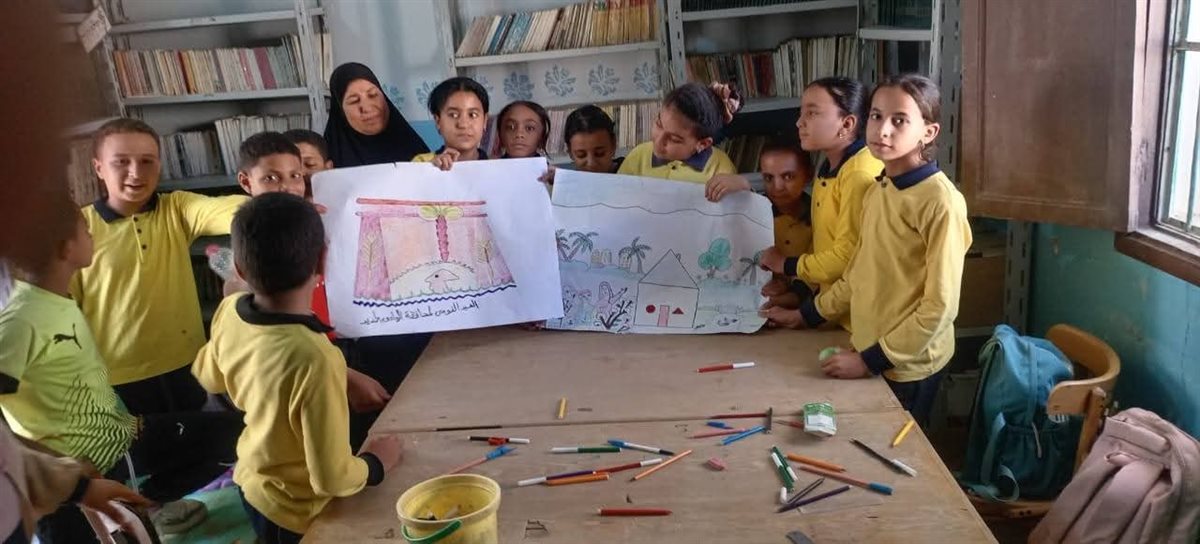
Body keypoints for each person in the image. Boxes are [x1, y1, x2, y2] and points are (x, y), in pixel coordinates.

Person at [2, 197, 240, 542]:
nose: (92, 236)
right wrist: (59, 469)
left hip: (122, 439)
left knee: (237, 435)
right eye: (86, 230)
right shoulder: (21, 319)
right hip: (76, 479)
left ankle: (147, 503)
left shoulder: (56, 299)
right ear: (65, 246)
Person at [193, 193, 402, 544]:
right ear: (322, 261)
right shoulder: (316, 357)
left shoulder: (230, 310)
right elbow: (333, 478)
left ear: (239, 269)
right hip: (293, 510)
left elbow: (210, 375)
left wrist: (341, 376)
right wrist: (377, 462)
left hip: (252, 480)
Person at [767, 74, 972, 427]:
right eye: (876, 116)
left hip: (908, 367)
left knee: (899, 451)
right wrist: (807, 314)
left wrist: (869, 360)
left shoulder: (941, 203)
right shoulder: (880, 190)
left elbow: (939, 308)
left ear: (928, 132)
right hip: (869, 349)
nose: (882, 130)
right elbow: (858, 274)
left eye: (899, 120)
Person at [70, 119, 248, 416]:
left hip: (188, 364)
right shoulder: (78, 228)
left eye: (147, 161)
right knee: (140, 446)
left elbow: (235, 211)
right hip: (115, 377)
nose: (136, 172)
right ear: (99, 168)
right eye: (121, 162)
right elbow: (63, 311)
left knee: (198, 439)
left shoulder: (175, 208)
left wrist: (283, 205)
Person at [225, 132, 391, 414]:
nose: (287, 187)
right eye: (271, 178)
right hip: (300, 357)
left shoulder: (320, 218)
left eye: (296, 176)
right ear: (246, 182)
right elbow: (253, 317)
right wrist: (344, 375)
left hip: (342, 341)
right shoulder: (252, 238)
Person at [757, 78, 881, 329]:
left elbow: (847, 258)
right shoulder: (831, 168)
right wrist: (798, 294)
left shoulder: (858, 174)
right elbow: (824, 242)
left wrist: (787, 265)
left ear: (847, 124)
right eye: (802, 112)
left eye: (812, 113)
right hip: (837, 313)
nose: (799, 122)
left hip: (862, 322)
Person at [617, 82, 739, 183]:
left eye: (674, 139)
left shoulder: (720, 168)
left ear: (703, 144)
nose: (659, 141)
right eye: (659, 124)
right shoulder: (639, 155)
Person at [323, 62, 428, 167]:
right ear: (341, 111)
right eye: (354, 101)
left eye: (373, 95)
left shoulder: (417, 153)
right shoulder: (326, 164)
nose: (367, 108)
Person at [412, 77, 491, 170]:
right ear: (438, 122)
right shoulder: (421, 163)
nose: (463, 125)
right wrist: (430, 169)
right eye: (453, 115)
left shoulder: (499, 166)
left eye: (472, 115)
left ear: (484, 121)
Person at [563, 105, 624, 173]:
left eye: (599, 153)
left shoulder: (630, 171)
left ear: (613, 145)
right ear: (570, 152)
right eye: (581, 155)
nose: (591, 164)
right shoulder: (567, 179)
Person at [281, 129, 334, 198]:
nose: (301, 172)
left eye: (310, 164)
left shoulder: (344, 201)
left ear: (328, 168)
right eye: (291, 166)